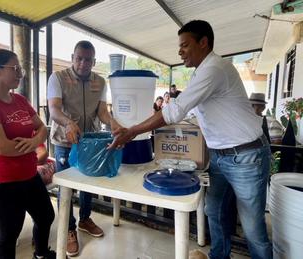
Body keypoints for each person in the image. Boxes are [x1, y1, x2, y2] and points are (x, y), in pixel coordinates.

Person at [109, 20, 272, 259]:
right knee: (214, 211)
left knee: (252, 228)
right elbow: (192, 113)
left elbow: (175, 111)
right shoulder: (202, 73)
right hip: (220, 156)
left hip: (246, 157)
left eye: (185, 45)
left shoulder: (214, 68)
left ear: (203, 42)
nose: (179, 51)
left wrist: (132, 131)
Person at [0, 49, 56, 259]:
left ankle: (42, 254)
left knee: (46, 217)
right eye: (15, 68)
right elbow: (1, 147)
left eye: (20, 69)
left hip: (29, 175)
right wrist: (34, 142)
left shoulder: (20, 100)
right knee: (10, 233)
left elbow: (43, 127)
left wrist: (34, 141)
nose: (20, 73)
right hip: (2, 183)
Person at [47, 40, 121, 257]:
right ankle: (69, 228)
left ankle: (85, 219)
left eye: (88, 59)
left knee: (88, 182)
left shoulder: (99, 81)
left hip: (90, 142)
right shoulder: (58, 78)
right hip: (64, 141)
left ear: (94, 61)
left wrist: (113, 123)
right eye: (79, 58)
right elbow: (54, 109)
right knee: (66, 187)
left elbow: (102, 112)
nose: (83, 63)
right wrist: (69, 123)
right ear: (72, 57)